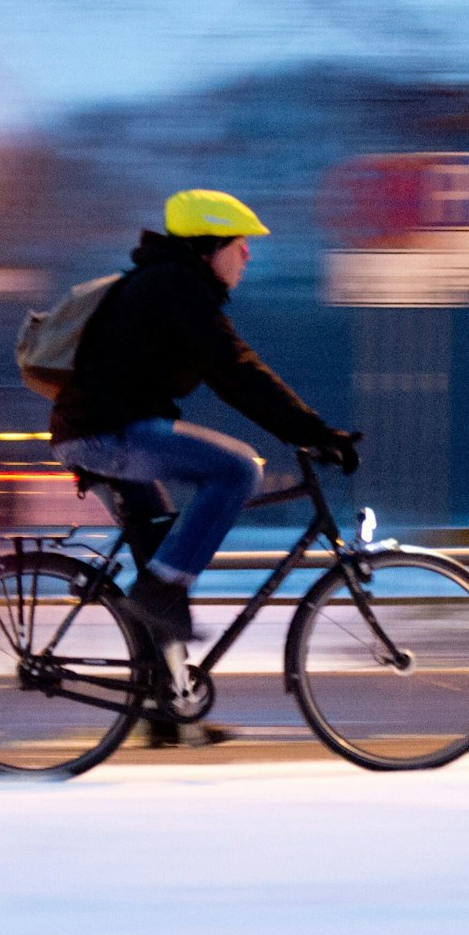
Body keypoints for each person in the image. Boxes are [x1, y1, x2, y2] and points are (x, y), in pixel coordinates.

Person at [49, 189, 359, 642]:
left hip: (95, 432)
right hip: (108, 435)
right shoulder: (177, 288)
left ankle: (160, 674)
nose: (248, 255)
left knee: (162, 553)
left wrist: (305, 431)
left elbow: (232, 373)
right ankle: (160, 594)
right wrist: (315, 432)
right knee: (237, 470)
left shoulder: (166, 283)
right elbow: (235, 371)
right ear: (210, 246)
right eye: (240, 243)